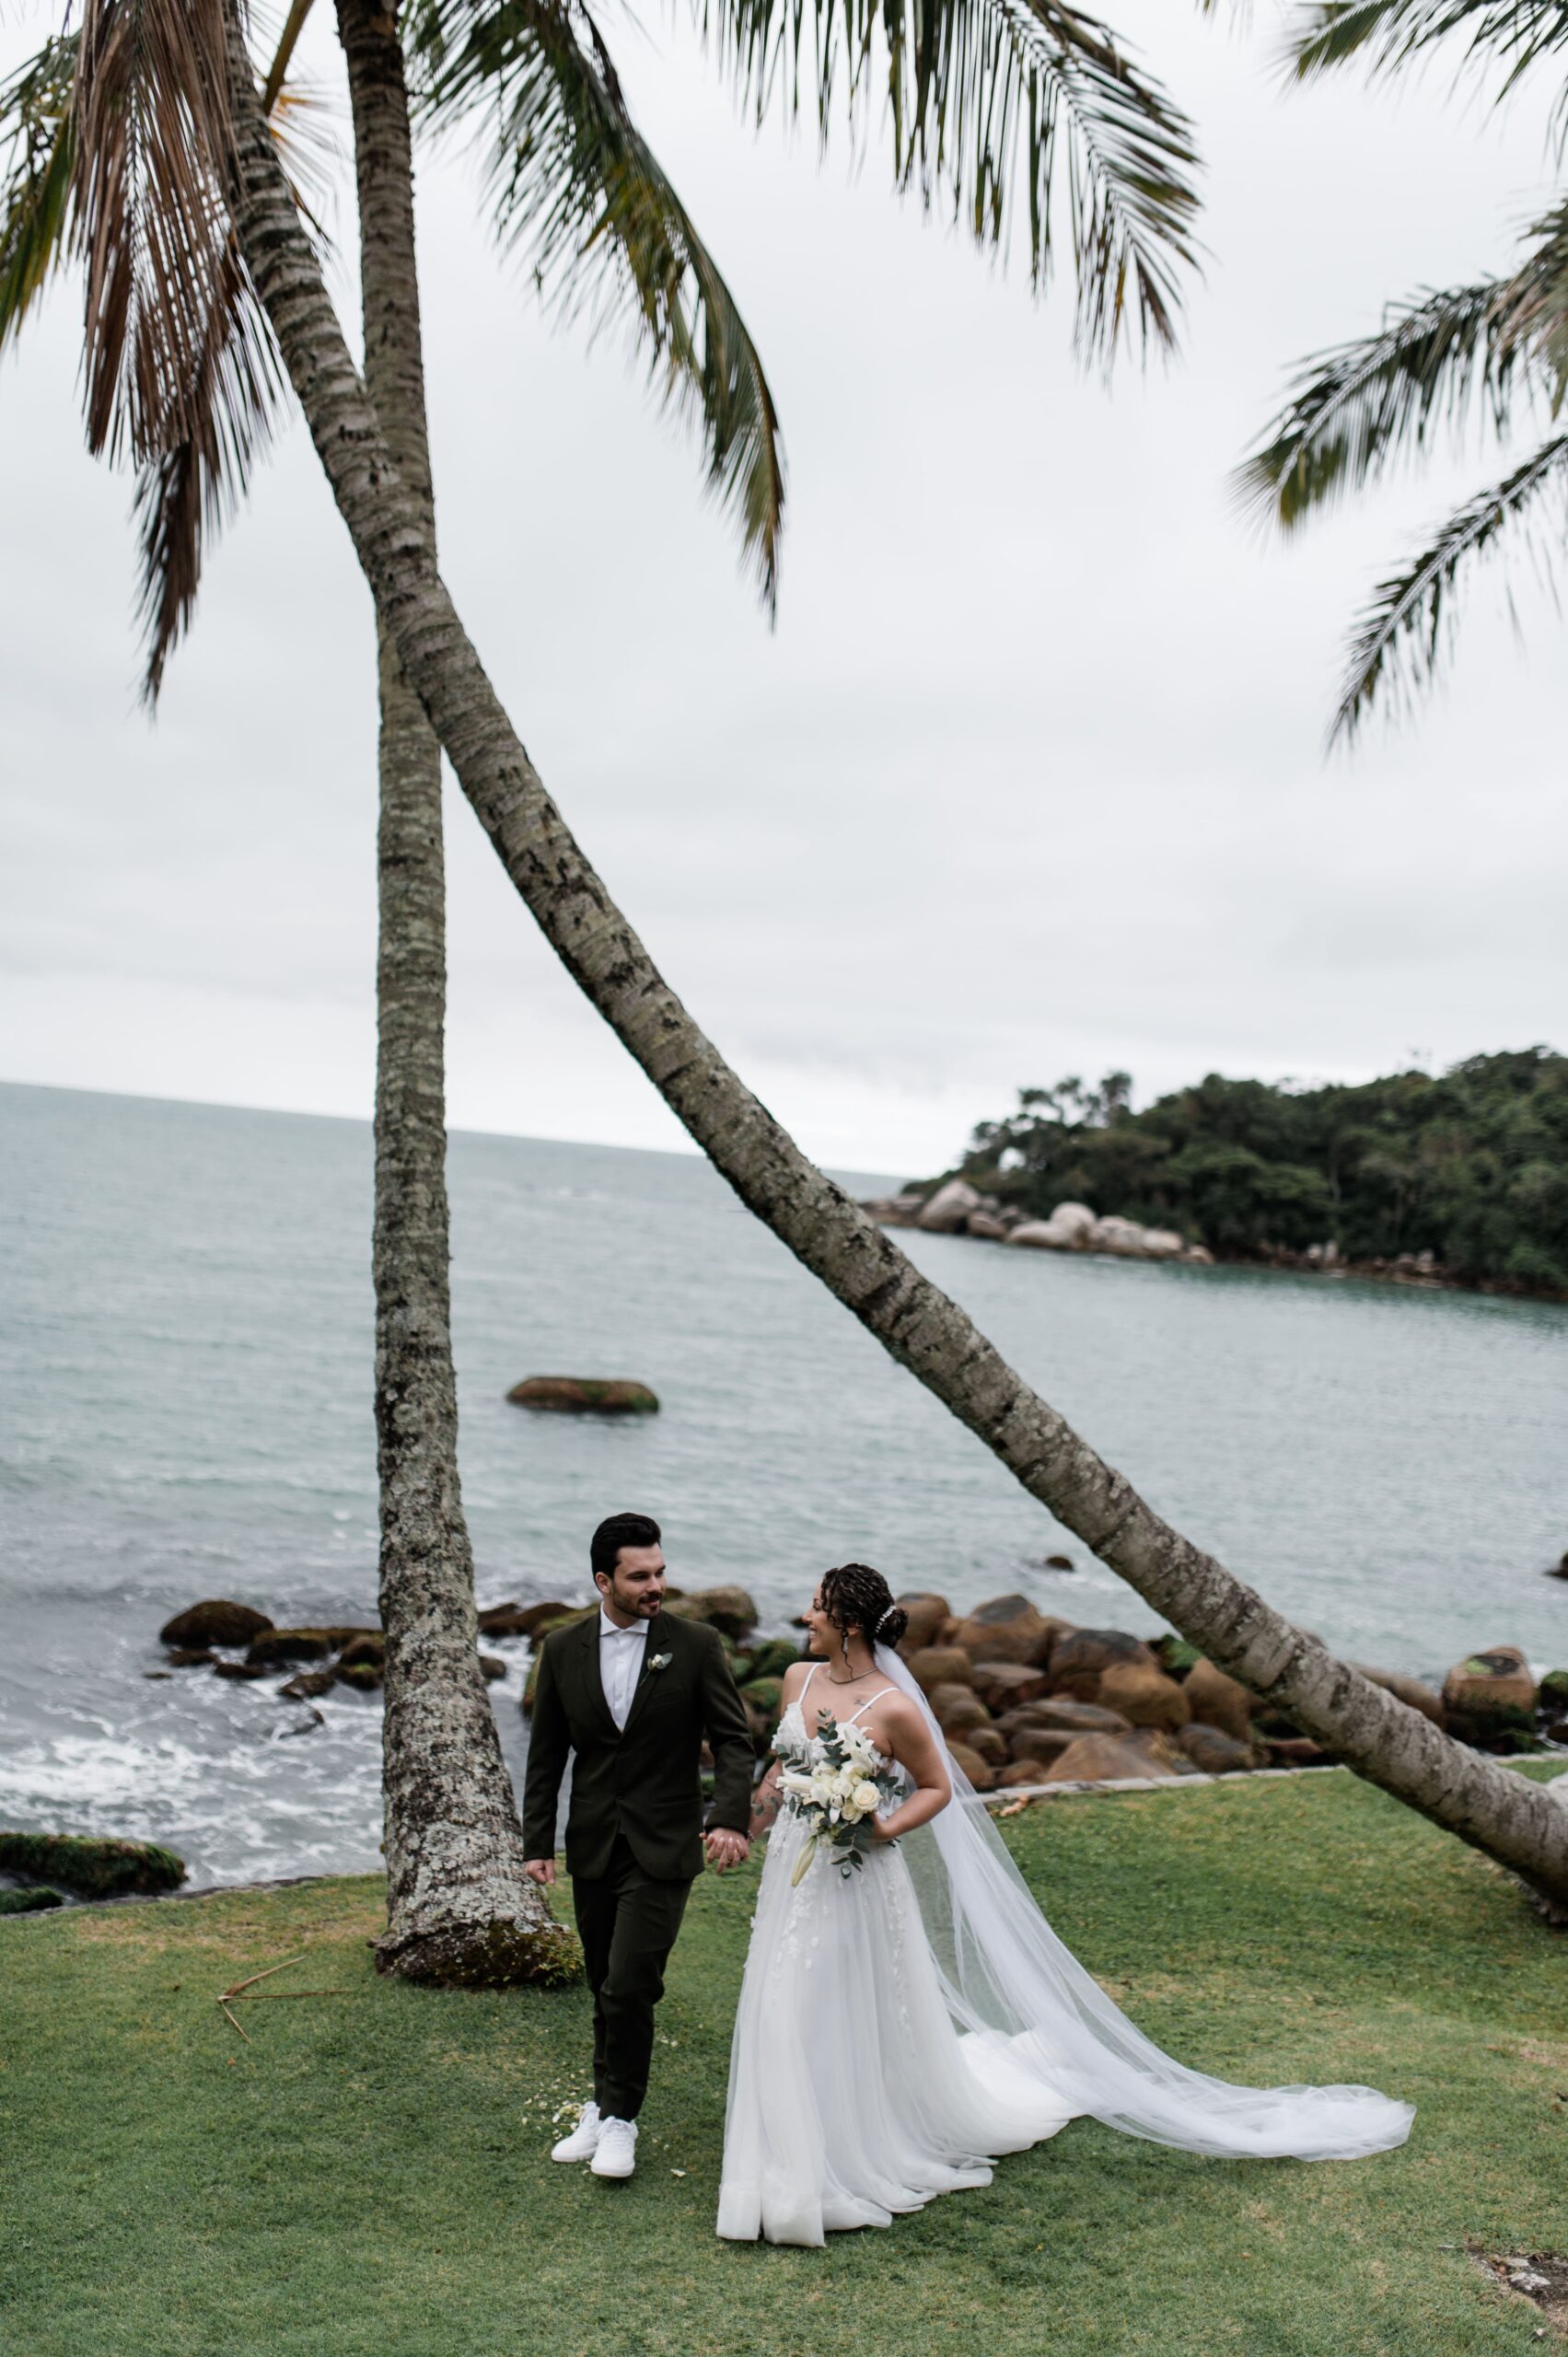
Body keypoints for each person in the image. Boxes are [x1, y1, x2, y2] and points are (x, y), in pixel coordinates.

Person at [718, 1562, 1413, 2247]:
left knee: (826, 2000)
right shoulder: (797, 1679)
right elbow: (782, 1768)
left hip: (858, 1876)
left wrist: (882, 1825)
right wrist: (743, 1825)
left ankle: (838, 2155)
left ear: (846, 1624)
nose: (805, 1617)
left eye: (816, 1607)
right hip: (794, 1873)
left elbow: (935, 1787)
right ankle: (783, 2151)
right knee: (781, 1997)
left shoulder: (894, 1706)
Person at [523, 1511, 753, 2182]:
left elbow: (733, 1740)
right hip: (594, 1842)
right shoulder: (562, 1649)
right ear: (604, 1581)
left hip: (664, 1843)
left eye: (660, 1572)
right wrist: (538, 1841)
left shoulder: (696, 1644)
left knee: (629, 1983)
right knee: (603, 1982)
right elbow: (547, 1755)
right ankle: (601, 2105)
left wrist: (729, 1818)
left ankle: (621, 2119)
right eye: (639, 1576)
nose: (656, 1586)